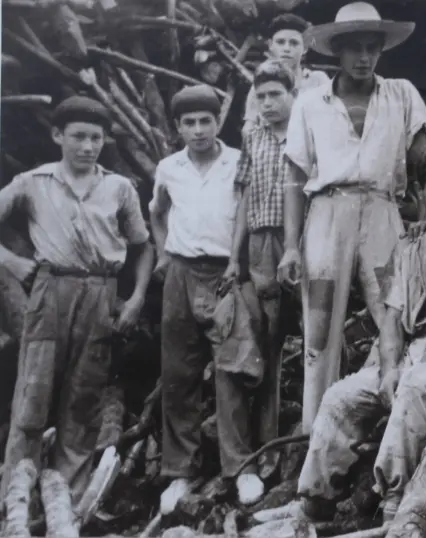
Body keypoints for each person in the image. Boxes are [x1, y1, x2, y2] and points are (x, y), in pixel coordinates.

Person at [296, 143, 426, 522]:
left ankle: (394, 499)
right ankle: (313, 500)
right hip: (414, 348)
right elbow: (392, 318)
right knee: (341, 396)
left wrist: (419, 366)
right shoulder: (411, 246)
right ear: (420, 192)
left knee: (416, 385)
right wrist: (390, 368)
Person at [279, 1, 426, 433]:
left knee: (393, 314)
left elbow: (425, 161)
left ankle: (391, 423)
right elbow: (293, 176)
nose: (364, 57)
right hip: (328, 213)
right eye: (354, 48)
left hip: (384, 213)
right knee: (320, 327)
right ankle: (314, 433)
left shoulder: (402, 94)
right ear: (338, 52)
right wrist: (291, 245)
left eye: (372, 48)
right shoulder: (311, 103)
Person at [0, 96, 154, 504]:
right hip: (51, 291)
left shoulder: (119, 187)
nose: (88, 146)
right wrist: (11, 260)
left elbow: (143, 247)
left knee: (84, 397)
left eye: (96, 138)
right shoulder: (33, 183)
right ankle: (17, 496)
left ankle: (66, 495)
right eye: (78, 137)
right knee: (33, 393)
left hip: (101, 293)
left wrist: (136, 298)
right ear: (57, 136)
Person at [150, 85, 263, 513]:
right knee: (179, 371)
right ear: (177, 127)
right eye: (189, 123)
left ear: (219, 123)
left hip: (225, 272)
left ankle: (240, 467)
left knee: (231, 368)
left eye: (205, 121)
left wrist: (236, 260)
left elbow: (245, 215)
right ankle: (181, 471)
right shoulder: (169, 167)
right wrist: (164, 253)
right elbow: (156, 212)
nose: (198, 131)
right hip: (180, 271)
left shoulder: (238, 162)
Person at [225, 61, 297, 479]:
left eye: (277, 95)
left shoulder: (307, 132)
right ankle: (262, 447)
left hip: (298, 241)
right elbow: (244, 202)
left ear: (292, 95)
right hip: (258, 244)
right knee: (263, 341)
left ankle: (292, 442)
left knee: (298, 339)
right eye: (262, 95)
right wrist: (235, 258)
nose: (269, 103)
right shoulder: (251, 135)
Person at [241, 13, 329, 134]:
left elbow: (331, 123)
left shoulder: (317, 81)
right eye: (280, 42)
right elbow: (248, 129)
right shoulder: (260, 85)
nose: (287, 48)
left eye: (294, 43)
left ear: (305, 48)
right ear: (270, 45)